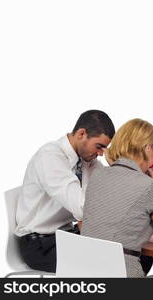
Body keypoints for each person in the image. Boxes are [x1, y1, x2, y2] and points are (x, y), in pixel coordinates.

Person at [81, 118, 153, 278]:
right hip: (120, 275)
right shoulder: (151, 188)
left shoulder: (97, 175)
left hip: (86, 274)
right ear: (147, 148)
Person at [15, 110, 115, 272]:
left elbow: (113, 193)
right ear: (82, 134)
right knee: (108, 262)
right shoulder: (50, 156)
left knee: (133, 253)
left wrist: (118, 168)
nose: (102, 154)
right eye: (99, 146)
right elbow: (83, 208)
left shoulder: (88, 159)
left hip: (66, 236)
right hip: (40, 245)